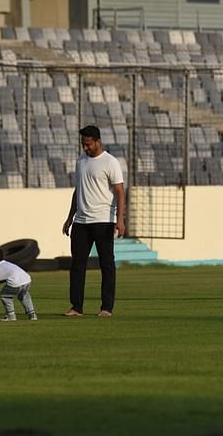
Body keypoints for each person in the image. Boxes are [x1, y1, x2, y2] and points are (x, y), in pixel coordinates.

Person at [62, 125, 125, 318]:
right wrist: (70, 216)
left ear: (97, 141)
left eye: (88, 144)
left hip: (103, 220)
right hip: (81, 221)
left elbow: (120, 191)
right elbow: (78, 190)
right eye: (83, 144)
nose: (85, 148)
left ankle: (106, 307)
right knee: (77, 265)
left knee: (106, 265)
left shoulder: (110, 162)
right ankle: (76, 307)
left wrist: (119, 219)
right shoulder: (81, 161)